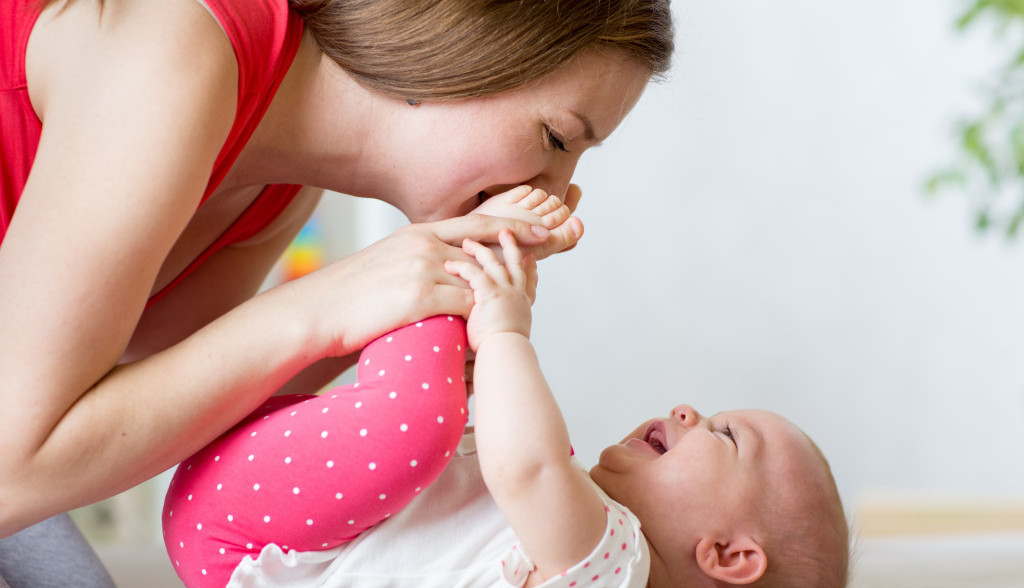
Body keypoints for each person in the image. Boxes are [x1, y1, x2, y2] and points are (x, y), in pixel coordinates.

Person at [0, 0, 673, 584]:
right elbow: (15, 473)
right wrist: (325, 308)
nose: (555, 194)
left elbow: (152, 405)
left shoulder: (281, 184)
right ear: (465, 47)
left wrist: (395, 329)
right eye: (556, 138)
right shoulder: (179, 54)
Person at [163, 189, 850, 587]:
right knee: (476, 426)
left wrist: (504, 328)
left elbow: (525, 466)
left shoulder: (617, 565)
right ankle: (463, 257)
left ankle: (457, 234)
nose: (688, 410)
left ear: (730, 555)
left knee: (439, 421)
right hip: (263, 537)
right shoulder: (572, 538)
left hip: (251, 542)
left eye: (726, 434)